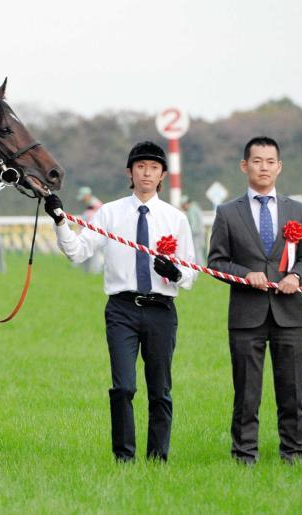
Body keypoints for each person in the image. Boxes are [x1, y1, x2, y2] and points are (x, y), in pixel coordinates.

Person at [44, 141, 197, 462]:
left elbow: (191, 273)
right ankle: (124, 457)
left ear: (162, 176)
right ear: (130, 172)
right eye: (140, 167)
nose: (146, 173)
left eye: (153, 168)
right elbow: (77, 252)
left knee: (160, 389)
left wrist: (176, 272)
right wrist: (59, 222)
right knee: (124, 387)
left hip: (161, 311)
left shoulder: (175, 218)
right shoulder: (109, 213)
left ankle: (158, 458)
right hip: (122, 310)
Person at [207, 136, 302, 465]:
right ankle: (244, 455)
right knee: (247, 392)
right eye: (257, 161)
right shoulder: (227, 212)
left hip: (289, 315)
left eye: (270, 162)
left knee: (292, 391)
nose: (263, 167)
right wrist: (245, 274)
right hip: (246, 315)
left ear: (279, 167)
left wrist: (296, 276)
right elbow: (216, 262)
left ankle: (295, 453)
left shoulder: (298, 210)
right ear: (244, 166)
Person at [182, 196, 206, 266]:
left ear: (186, 204)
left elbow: (194, 225)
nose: (183, 208)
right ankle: (201, 267)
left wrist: (187, 234)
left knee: (196, 252)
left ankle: (200, 267)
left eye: (183, 205)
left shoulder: (191, 210)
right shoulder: (196, 208)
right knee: (199, 251)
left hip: (196, 235)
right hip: (200, 234)